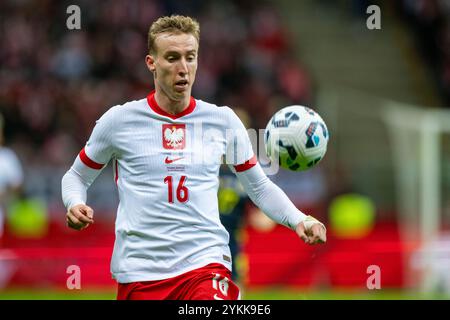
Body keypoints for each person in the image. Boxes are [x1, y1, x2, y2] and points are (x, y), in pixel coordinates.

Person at [61, 15, 326, 300]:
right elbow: (76, 176)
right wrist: (75, 202)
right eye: (172, 58)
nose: (183, 69)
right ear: (152, 63)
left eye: (190, 57)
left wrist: (299, 220)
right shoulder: (119, 121)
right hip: (140, 274)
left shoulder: (222, 120)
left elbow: (259, 187)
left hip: (205, 266)